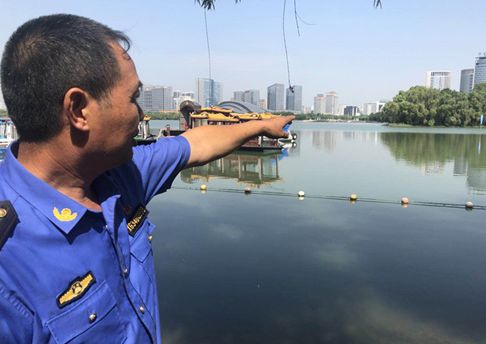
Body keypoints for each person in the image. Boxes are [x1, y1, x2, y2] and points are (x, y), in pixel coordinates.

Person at [0, 14, 293, 343]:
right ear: (79, 109)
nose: (141, 115)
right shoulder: (9, 259)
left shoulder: (121, 174)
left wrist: (262, 125)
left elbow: (195, 144)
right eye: (133, 98)